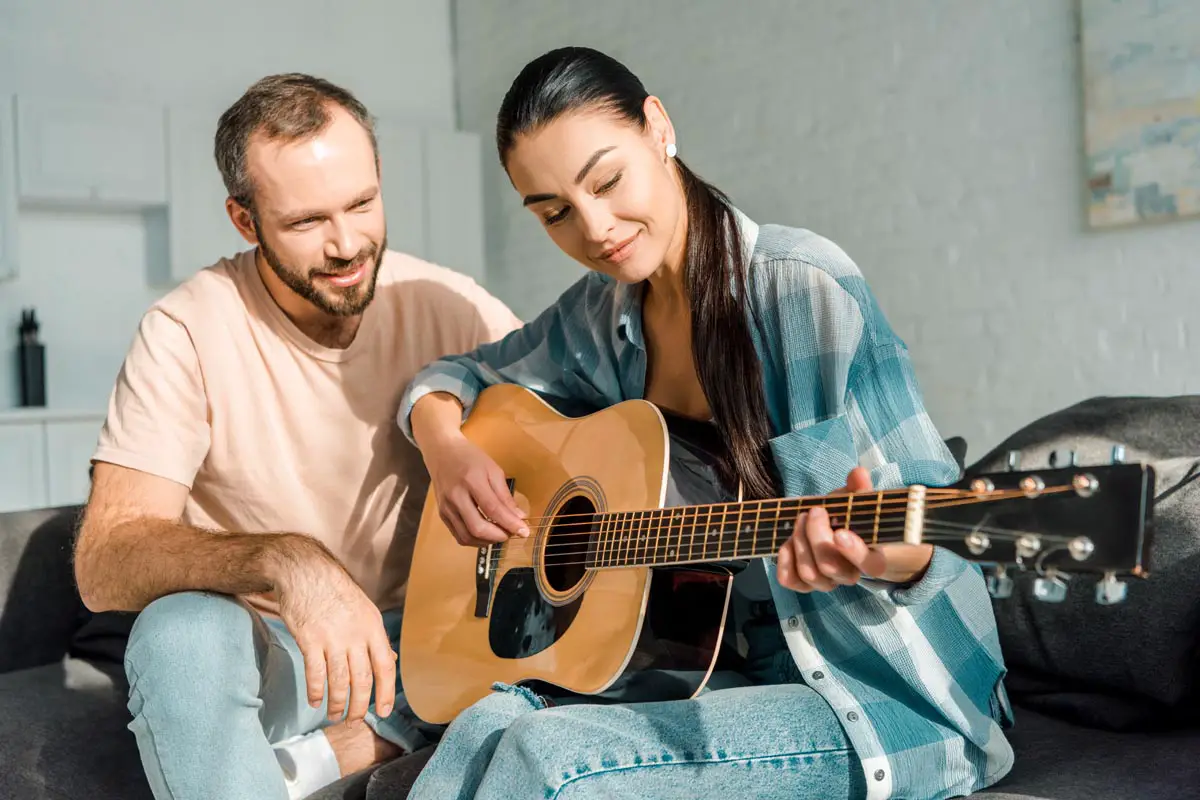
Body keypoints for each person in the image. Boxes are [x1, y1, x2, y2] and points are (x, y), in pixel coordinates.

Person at [396, 47, 1014, 800]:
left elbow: (939, 538)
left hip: (872, 695)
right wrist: (447, 448)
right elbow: (453, 378)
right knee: (480, 724)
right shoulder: (598, 315)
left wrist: (876, 557)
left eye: (607, 180)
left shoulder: (803, 290)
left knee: (544, 754)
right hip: (711, 673)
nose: (594, 229)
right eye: (554, 212)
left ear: (658, 127)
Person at [72, 73, 522, 800]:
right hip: (282, 652)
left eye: (363, 204)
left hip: (435, 643)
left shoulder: (450, 303)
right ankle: (373, 737)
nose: (347, 245)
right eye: (307, 222)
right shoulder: (186, 329)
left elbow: (589, 423)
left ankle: (352, 743)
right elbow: (103, 558)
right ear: (245, 222)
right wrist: (289, 564)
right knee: (179, 636)